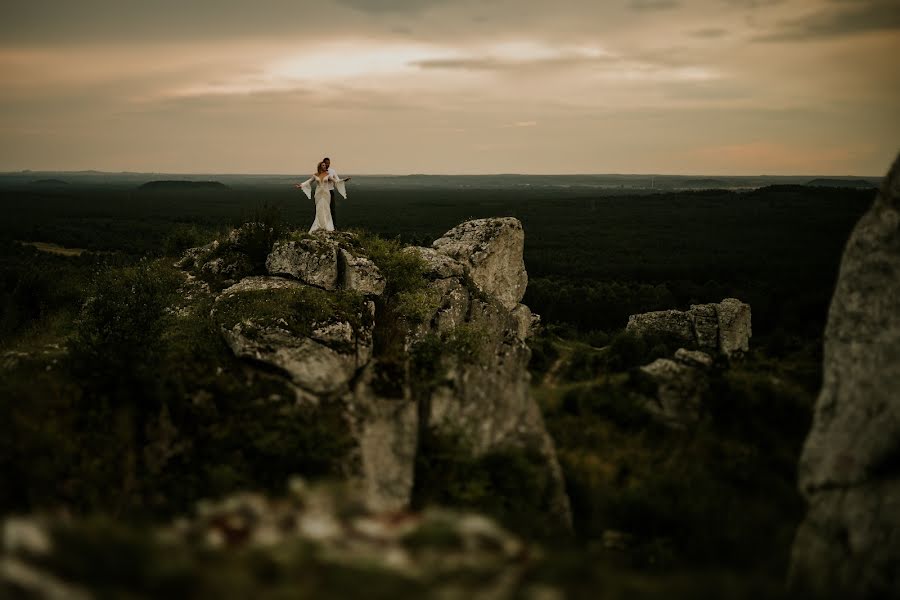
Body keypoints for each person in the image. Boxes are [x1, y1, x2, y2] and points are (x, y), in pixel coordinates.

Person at [295, 161, 347, 233]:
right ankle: (318, 225)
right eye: (323, 165)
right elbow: (309, 181)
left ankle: (327, 225)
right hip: (318, 193)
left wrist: (343, 180)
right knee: (319, 208)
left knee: (326, 208)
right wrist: (301, 185)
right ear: (320, 166)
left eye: (325, 165)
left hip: (326, 193)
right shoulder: (315, 175)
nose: (325, 166)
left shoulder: (328, 174)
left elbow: (335, 181)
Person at [322, 157, 351, 228]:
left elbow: (337, 180)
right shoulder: (320, 172)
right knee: (324, 209)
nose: (328, 164)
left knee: (332, 209)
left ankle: (333, 226)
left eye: (329, 163)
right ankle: (324, 225)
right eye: (326, 163)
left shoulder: (332, 171)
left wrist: (344, 180)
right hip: (323, 192)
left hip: (330, 191)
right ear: (323, 163)